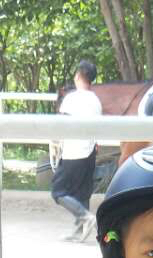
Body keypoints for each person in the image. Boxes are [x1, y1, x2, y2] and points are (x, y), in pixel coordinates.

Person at [52, 60, 103, 241]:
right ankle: (80, 231)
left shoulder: (71, 98)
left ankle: (85, 217)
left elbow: (61, 124)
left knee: (58, 191)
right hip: (89, 152)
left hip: (73, 151)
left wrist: (56, 143)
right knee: (83, 192)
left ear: (78, 76)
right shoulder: (96, 101)